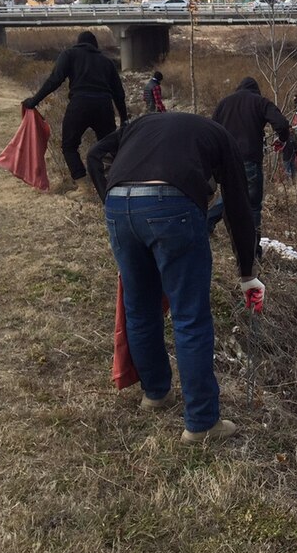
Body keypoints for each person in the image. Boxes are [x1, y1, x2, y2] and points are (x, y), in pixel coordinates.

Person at [85, 112, 264, 445]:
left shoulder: (141, 124)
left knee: (139, 308)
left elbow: (94, 155)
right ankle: (201, 423)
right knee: (190, 317)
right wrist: (247, 274)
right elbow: (239, 208)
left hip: (119, 205)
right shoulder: (220, 136)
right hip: (171, 206)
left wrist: (112, 204)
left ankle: (154, 394)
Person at [22, 30, 128, 187]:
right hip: (104, 106)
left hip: (80, 105)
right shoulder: (106, 62)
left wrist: (34, 101)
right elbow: (119, 94)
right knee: (110, 147)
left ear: (78, 43)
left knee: (69, 146)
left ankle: (83, 185)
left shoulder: (70, 54)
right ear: (95, 45)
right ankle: (115, 183)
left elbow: (55, 80)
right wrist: (124, 119)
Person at [210, 76, 290, 236]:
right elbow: (281, 124)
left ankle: (205, 223)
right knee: (253, 206)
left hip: (226, 161)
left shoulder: (224, 103)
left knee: (229, 198)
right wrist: (281, 139)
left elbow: (212, 131)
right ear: (256, 90)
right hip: (249, 160)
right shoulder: (260, 102)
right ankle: (253, 249)